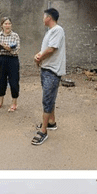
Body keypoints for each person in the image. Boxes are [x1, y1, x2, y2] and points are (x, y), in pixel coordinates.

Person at [32, 8, 66, 146]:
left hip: (52, 71)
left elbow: (52, 49)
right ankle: (51, 122)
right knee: (49, 98)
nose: (42, 18)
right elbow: (47, 48)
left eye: (43, 16)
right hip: (46, 69)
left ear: (49, 17)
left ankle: (43, 131)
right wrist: (38, 55)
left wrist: (39, 57)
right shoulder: (50, 32)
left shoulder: (58, 30)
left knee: (47, 100)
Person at [0, 16, 21, 112]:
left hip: (12, 60)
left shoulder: (15, 35)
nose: (7, 25)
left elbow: (17, 50)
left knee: (14, 81)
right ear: (2, 25)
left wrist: (10, 49)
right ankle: (0, 101)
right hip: (1, 60)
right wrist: (1, 47)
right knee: (0, 81)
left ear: (11, 25)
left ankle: (14, 103)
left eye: (9, 23)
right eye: (5, 23)